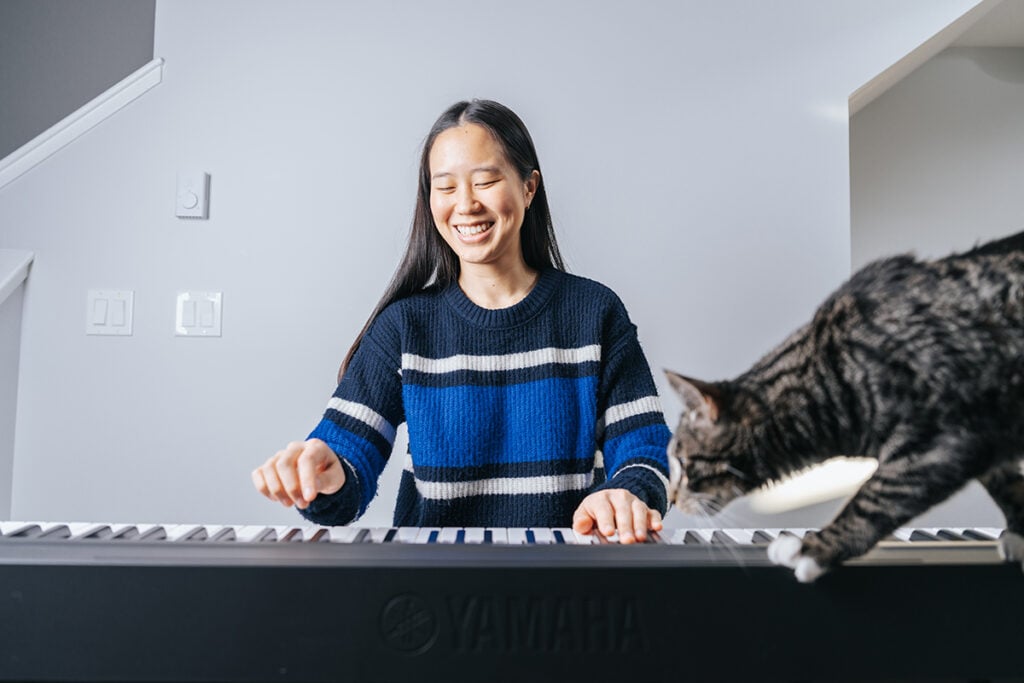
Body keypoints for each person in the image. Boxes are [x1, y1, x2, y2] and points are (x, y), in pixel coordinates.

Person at [252, 99, 671, 543]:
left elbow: (646, 451)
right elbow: (343, 464)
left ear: (529, 188)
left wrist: (626, 493)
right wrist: (323, 474)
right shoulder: (405, 327)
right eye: (445, 188)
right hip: (430, 588)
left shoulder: (594, 312)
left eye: (486, 181)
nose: (466, 205)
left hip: (566, 584)